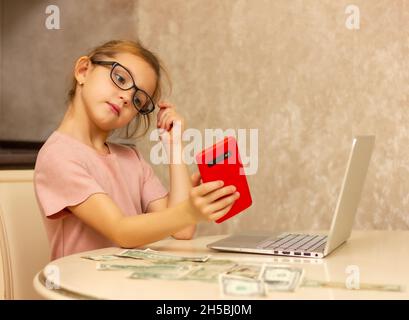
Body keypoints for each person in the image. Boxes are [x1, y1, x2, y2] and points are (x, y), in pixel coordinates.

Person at [34, 40, 240, 260]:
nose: (125, 97)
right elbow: (121, 231)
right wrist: (190, 210)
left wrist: (174, 145)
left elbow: (182, 230)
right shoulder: (59, 156)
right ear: (83, 71)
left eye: (137, 100)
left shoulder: (131, 158)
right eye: (120, 78)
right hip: (83, 289)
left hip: (126, 285)